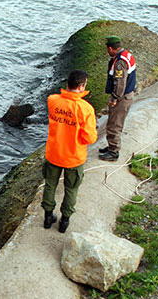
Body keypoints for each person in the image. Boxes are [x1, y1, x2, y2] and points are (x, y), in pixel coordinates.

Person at [42, 69, 98, 233]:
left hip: (54, 153)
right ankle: (64, 221)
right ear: (81, 87)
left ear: (68, 84)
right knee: (71, 189)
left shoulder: (53, 101)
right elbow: (89, 138)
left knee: (50, 185)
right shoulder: (86, 109)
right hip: (74, 157)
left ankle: (47, 217)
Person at [98, 35, 136, 161]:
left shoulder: (120, 62)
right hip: (127, 94)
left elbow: (120, 83)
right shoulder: (126, 55)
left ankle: (113, 152)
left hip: (122, 97)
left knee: (114, 124)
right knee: (115, 122)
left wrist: (114, 98)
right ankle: (111, 147)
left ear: (110, 48)